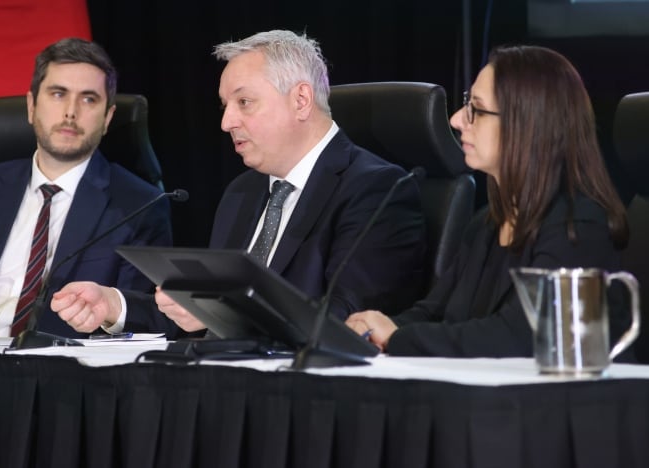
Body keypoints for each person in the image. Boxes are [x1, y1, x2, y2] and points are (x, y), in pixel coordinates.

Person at [51, 30, 426, 337]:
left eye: (244, 102)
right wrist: (115, 305)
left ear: (300, 100)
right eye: (224, 106)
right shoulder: (242, 192)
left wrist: (223, 312)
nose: (226, 122)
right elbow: (196, 314)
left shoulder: (378, 190)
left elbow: (345, 319)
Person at [345, 44, 630, 357]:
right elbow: (433, 313)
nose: (455, 120)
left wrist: (398, 338)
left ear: (526, 125)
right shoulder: (485, 224)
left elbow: (521, 336)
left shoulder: (579, 227)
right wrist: (373, 329)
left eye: (476, 110)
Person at [0, 37, 174, 339]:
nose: (70, 112)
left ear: (108, 118)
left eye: (89, 99)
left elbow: (147, 314)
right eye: (58, 94)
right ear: (31, 106)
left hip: (65, 375)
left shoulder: (138, 205)